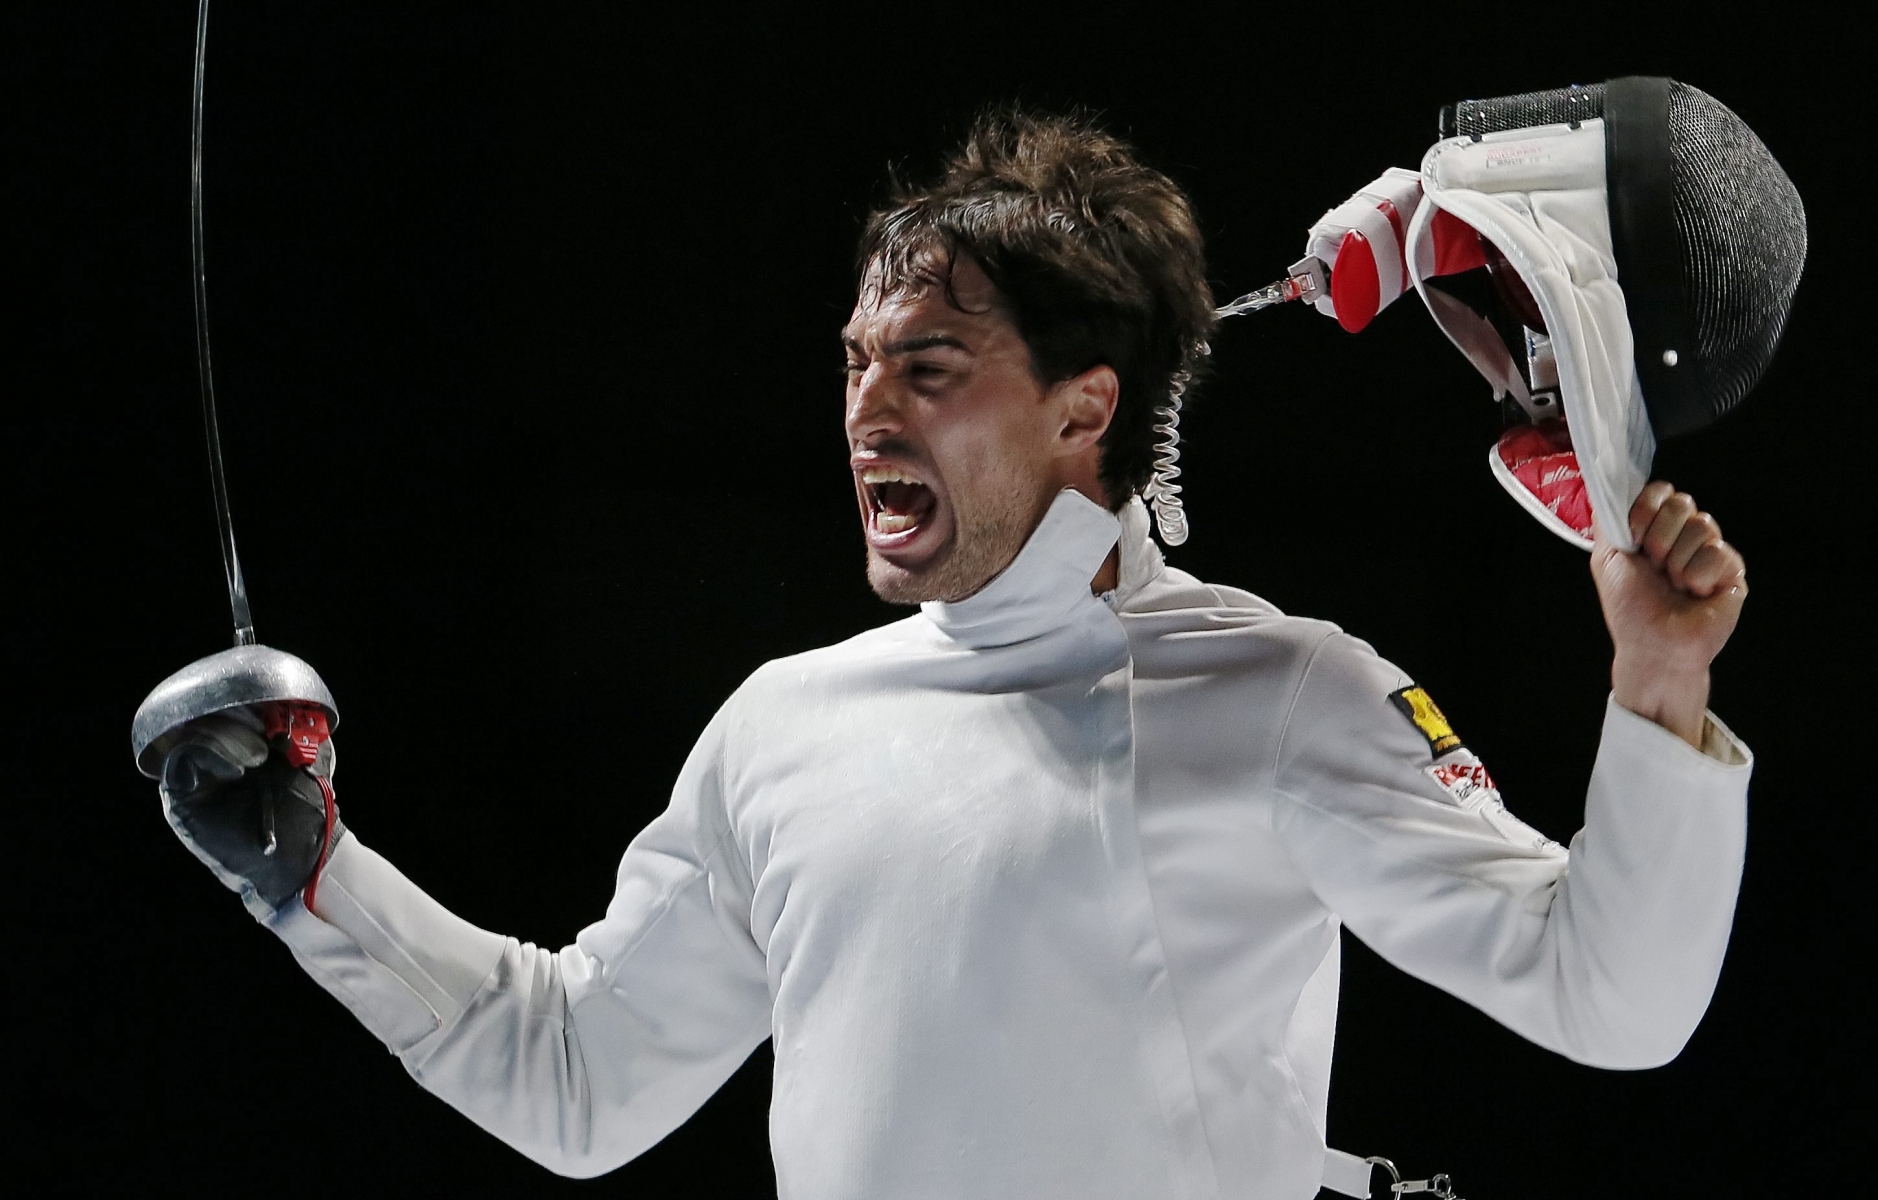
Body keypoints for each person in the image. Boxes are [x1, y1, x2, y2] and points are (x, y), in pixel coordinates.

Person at [157, 111, 1751, 1200]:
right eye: (855, 364)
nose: (866, 414)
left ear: (1084, 407)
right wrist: (311, 877)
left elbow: (1609, 999)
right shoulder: (786, 728)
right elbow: (579, 1076)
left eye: (929, 364)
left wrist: (1657, 687)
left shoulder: (1270, 694)